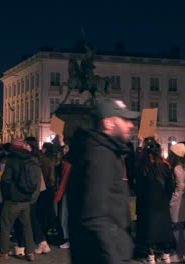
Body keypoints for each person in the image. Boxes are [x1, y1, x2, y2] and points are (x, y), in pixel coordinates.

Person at [67, 98, 138, 263]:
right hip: (102, 255)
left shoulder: (105, 151)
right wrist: (112, 257)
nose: (131, 125)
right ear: (109, 123)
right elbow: (94, 216)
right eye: (125, 120)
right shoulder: (101, 155)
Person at [0, 137, 41, 261]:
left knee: (5, 225)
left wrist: (6, 194)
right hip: (26, 199)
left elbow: (5, 180)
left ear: (12, 147)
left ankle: (3, 252)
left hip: (13, 199)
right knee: (27, 226)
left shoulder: (12, 160)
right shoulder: (31, 159)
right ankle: (30, 253)